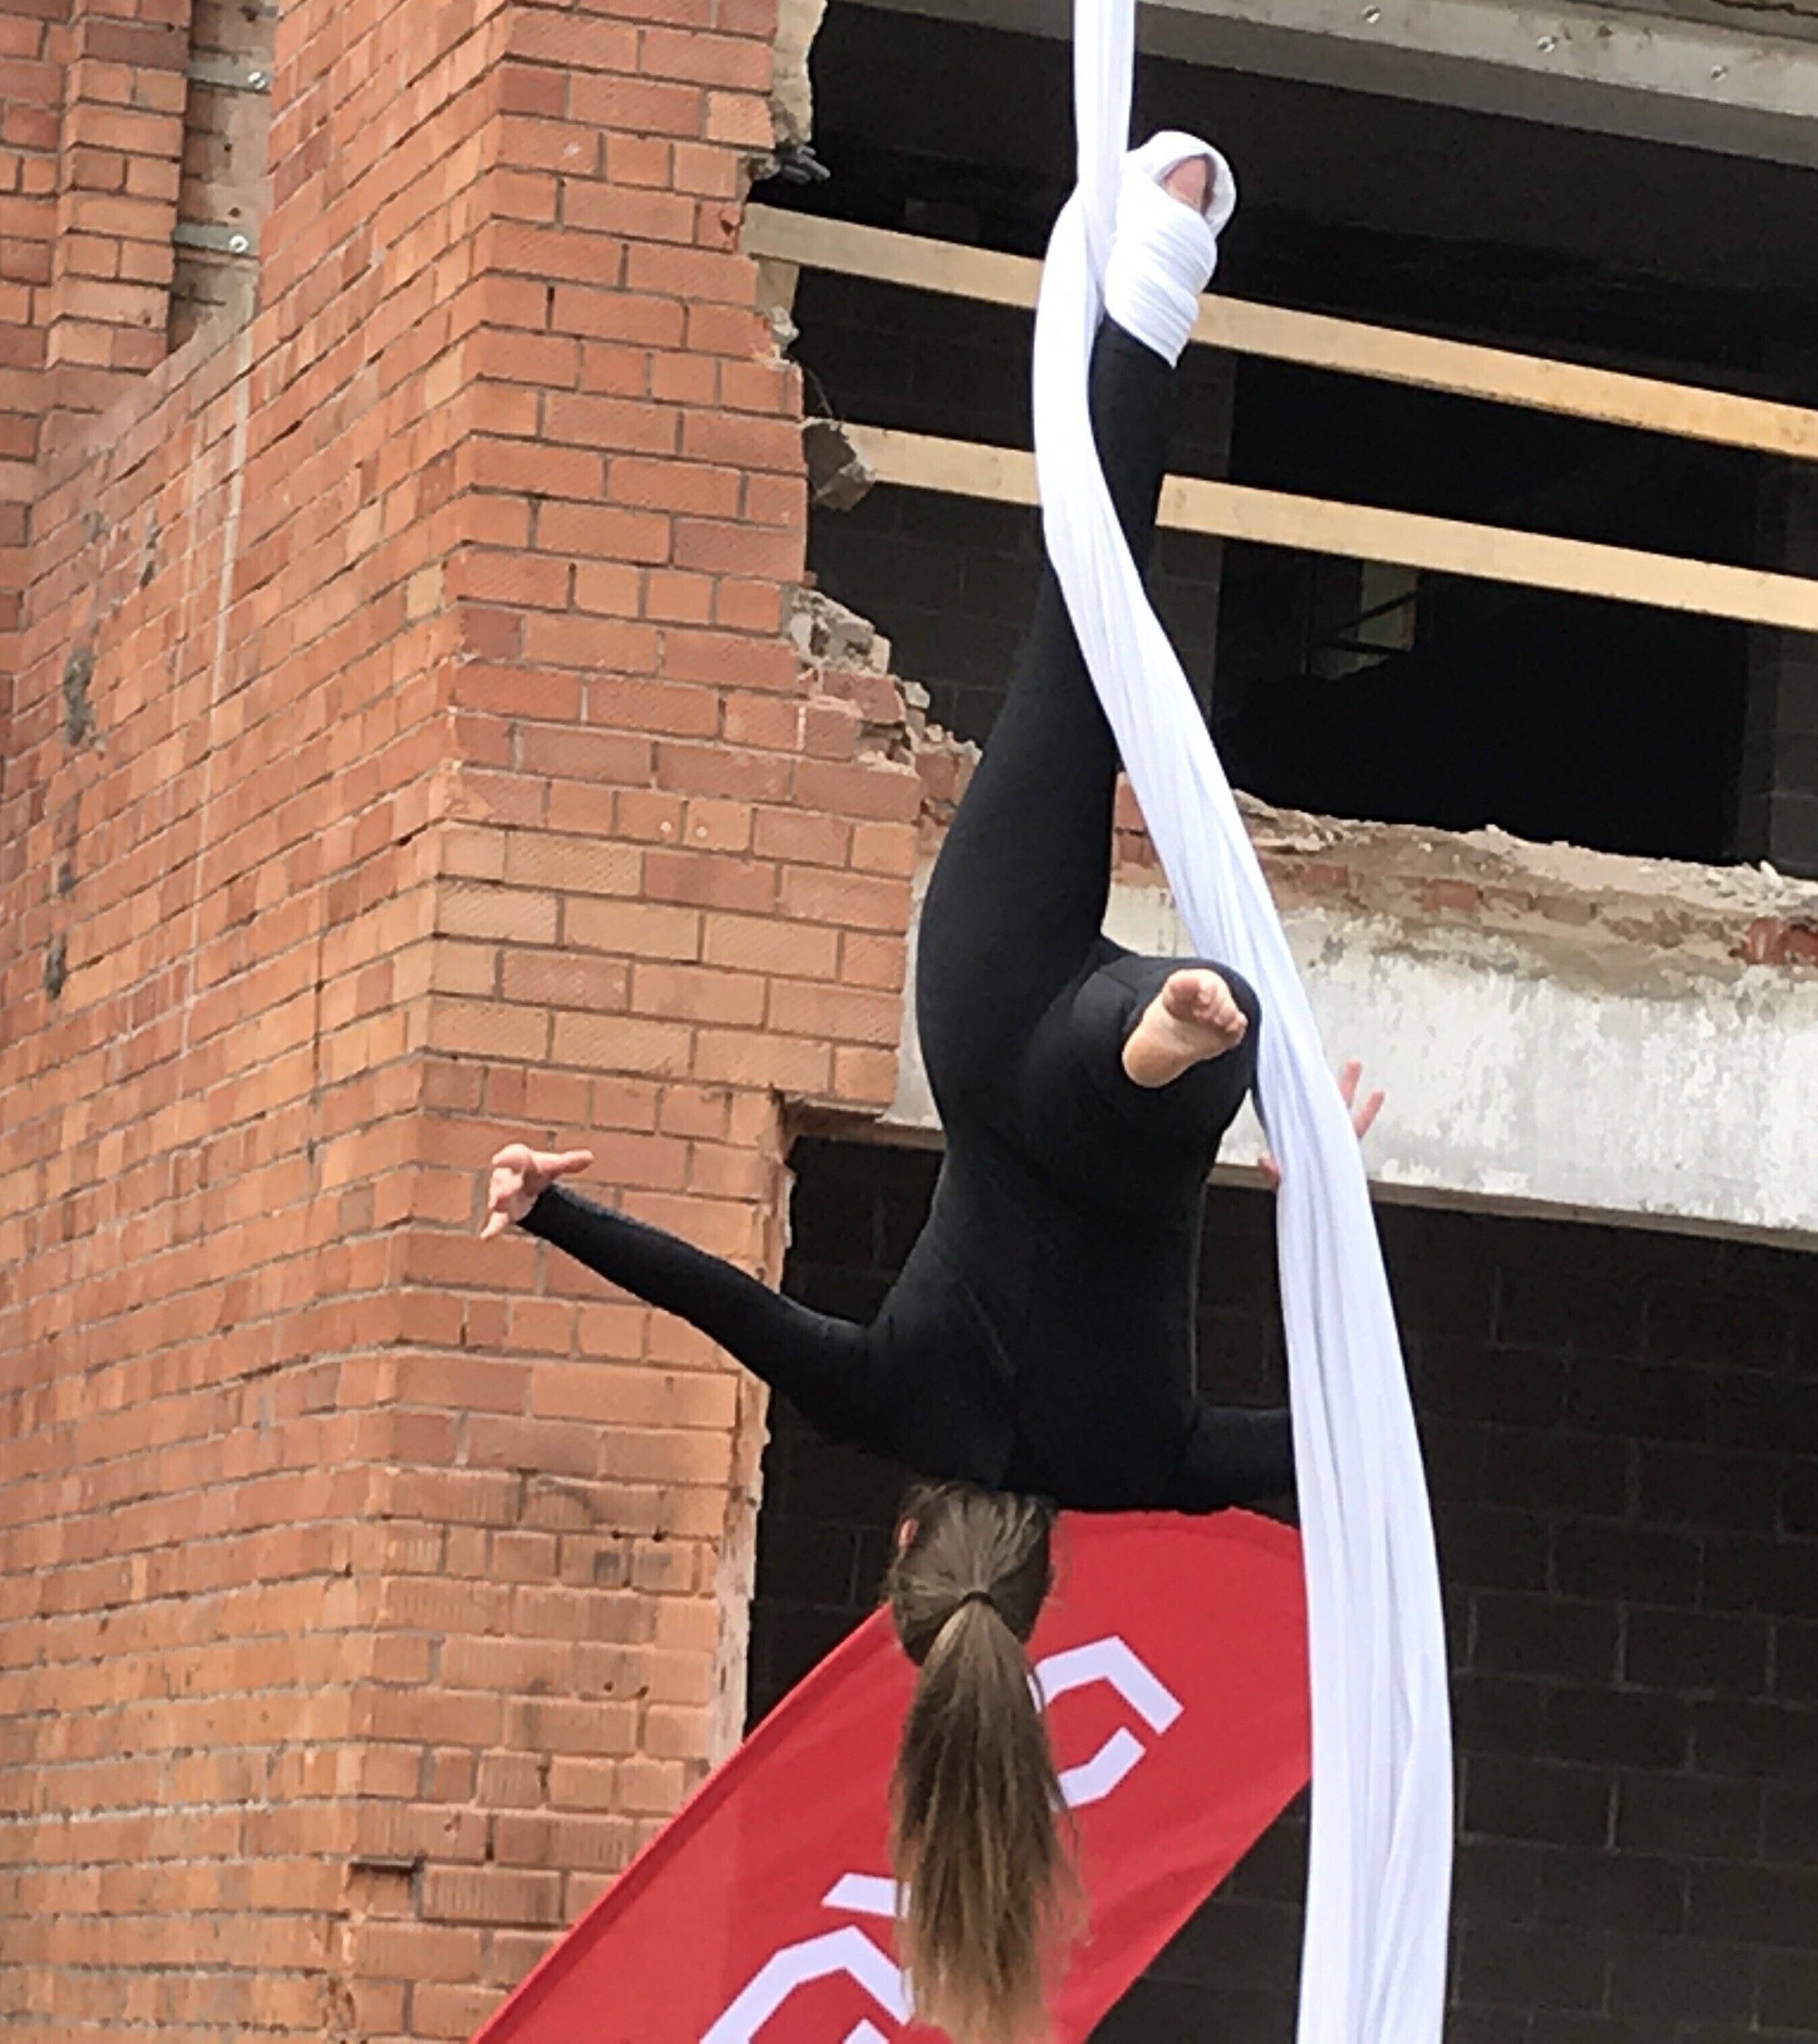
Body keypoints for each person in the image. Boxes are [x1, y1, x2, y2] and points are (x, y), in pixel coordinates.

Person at [481, 136, 1374, 2044]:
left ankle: (1184, 1034)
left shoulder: (1142, 1470)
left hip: (1145, 1126)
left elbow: (1343, 1455)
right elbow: (719, 1306)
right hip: (988, 1020)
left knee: (1151, 1055)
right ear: (907, 1549)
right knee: (1081, 636)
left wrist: (1329, 1209)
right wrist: (550, 1209)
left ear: (1039, 1591)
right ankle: (1147, 283)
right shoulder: (885, 1396)